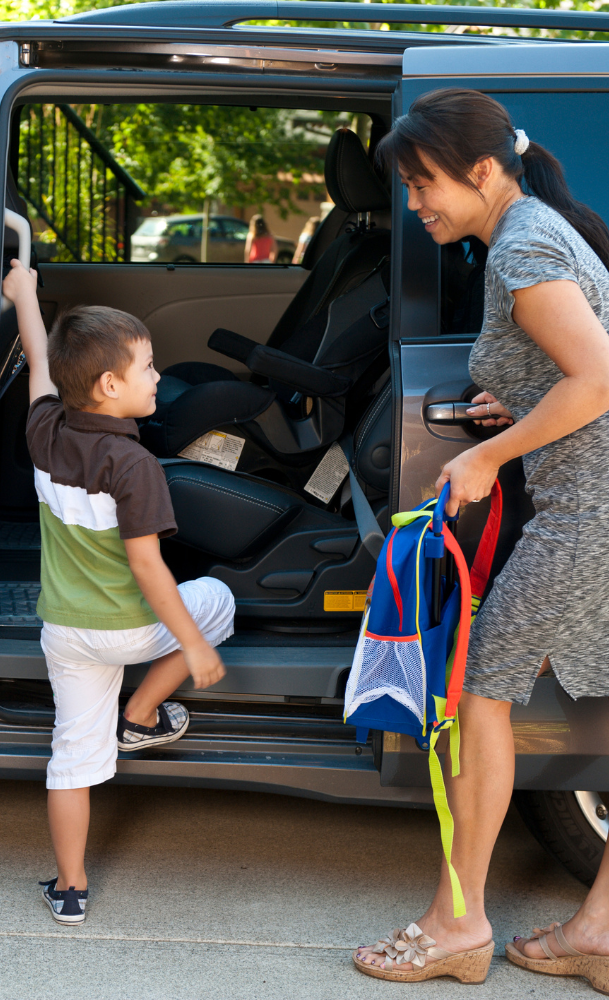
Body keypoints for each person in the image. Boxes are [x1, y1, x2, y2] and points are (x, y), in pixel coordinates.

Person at [354, 88, 609, 991]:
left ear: (484, 170)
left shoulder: (525, 244)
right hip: (594, 502)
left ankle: (457, 922)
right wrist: (530, 404)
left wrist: (490, 455)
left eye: (424, 183)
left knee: (476, 689)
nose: (416, 202)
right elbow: (578, 368)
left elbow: (600, 376)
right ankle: (602, 932)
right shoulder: (532, 228)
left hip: (591, 511)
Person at [1, 259, 236, 928]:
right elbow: (150, 569)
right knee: (215, 597)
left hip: (65, 633)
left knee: (71, 756)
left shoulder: (44, 431)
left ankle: (70, 890)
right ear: (109, 386)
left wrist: (26, 296)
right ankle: (140, 714)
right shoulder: (135, 467)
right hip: (128, 631)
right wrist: (193, 645)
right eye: (149, 368)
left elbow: (42, 370)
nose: (159, 376)